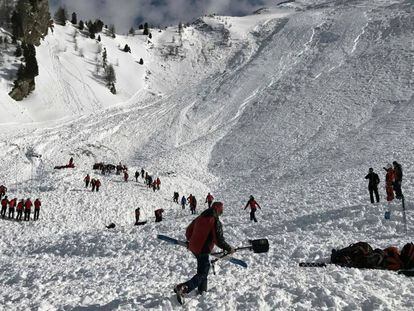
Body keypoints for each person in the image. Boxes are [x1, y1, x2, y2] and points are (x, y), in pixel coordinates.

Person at [174, 202, 235, 304]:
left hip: (194, 247)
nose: (221, 212)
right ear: (218, 210)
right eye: (221, 210)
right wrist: (229, 248)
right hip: (203, 249)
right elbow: (218, 240)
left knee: (202, 269)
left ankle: (202, 290)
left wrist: (192, 240)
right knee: (203, 273)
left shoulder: (200, 217)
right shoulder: (215, 220)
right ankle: (184, 287)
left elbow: (188, 230)